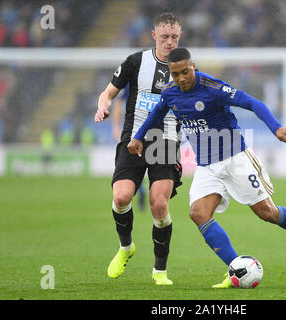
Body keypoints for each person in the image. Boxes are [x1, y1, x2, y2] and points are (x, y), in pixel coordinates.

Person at [127, 48, 286, 288]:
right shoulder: (171, 93)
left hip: (236, 159)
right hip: (207, 166)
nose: (181, 78)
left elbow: (252, 103)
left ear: (193, 66)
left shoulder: (213, 88)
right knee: (198, 214)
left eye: (185, 71)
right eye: (175, 74)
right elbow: (157, 114)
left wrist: (275, 127)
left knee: (267, 213)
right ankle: (235, 268)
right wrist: (139, 137)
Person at [94, 13, 183, 285]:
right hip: (133, 141)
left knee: (158, 204)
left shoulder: (186, 68)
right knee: (121, 198)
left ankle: (159, 271)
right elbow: (108, 92)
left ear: (180, 37)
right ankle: (126, 247)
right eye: (165, 37)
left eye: (175, 37)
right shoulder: (135, 62)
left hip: (166, 143)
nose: (170, 42)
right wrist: (103, 105)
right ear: (154, 35)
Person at [112, 86, 147, 211]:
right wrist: (116, 126)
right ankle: (141, 191)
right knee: (133, 165)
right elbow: (119, 102)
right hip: (131, 133)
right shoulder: (130, 80)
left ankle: (145, 192)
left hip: (154, 132)